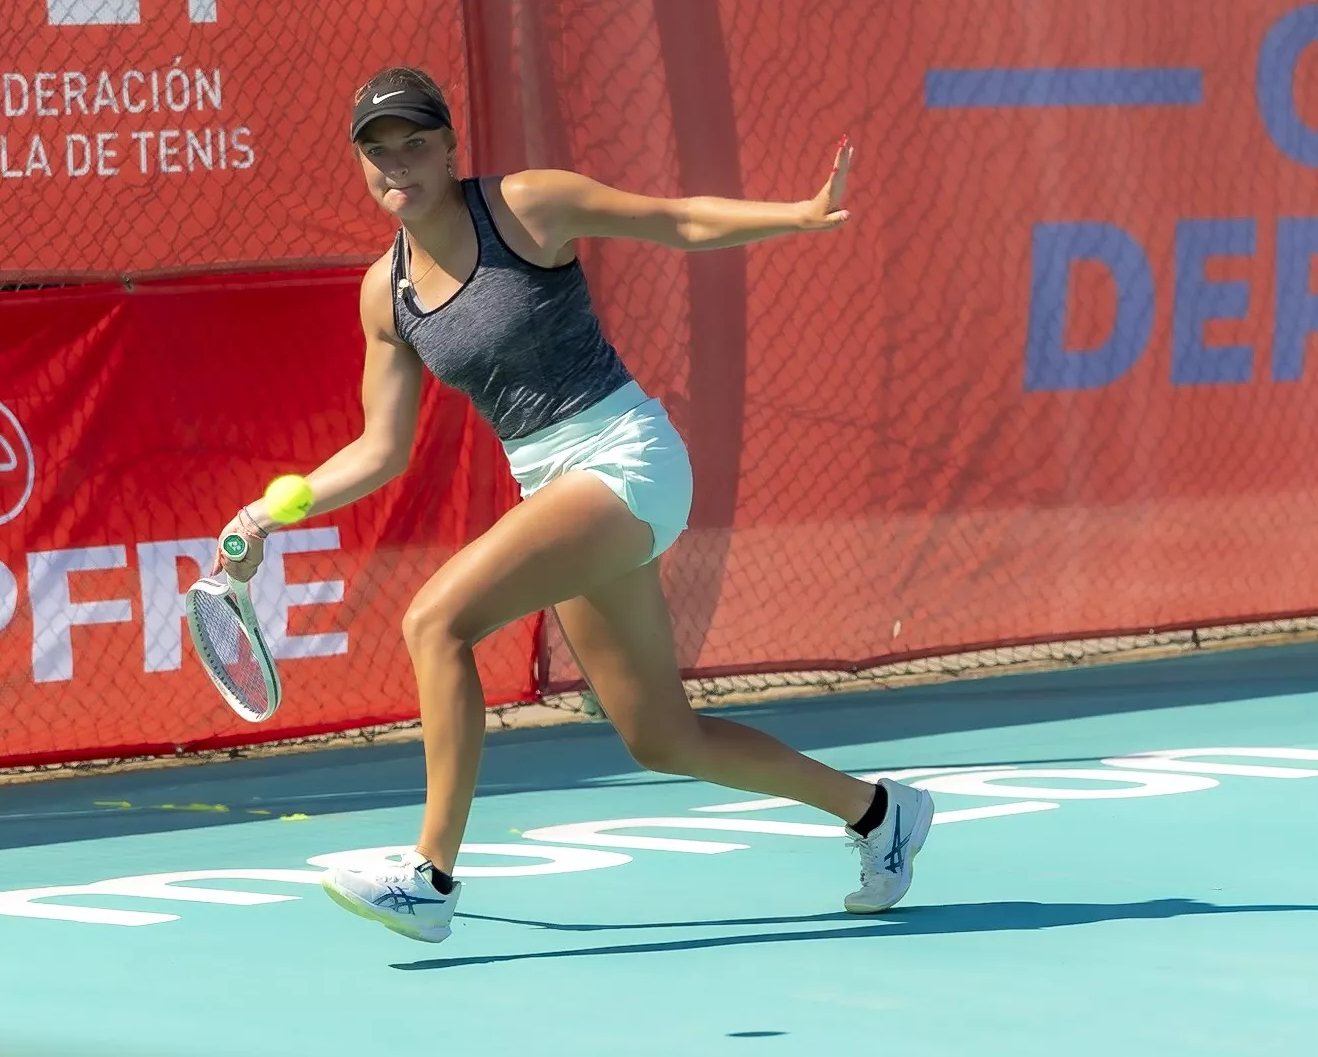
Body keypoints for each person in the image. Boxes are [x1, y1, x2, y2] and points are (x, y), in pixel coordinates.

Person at [210, 65, 933, 944]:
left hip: (623, 458)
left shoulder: (524, 207)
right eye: (377, 150)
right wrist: (263, 515)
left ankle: (429, 876)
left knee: (434, 622)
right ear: (360, 162)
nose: (396, 163)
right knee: (661, 739)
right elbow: (381, 448)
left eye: (414, 143)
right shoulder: (385, 292)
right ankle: (879, 813)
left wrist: (795, 214)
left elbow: (672, 220)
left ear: (447, 147)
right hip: (554, 485)